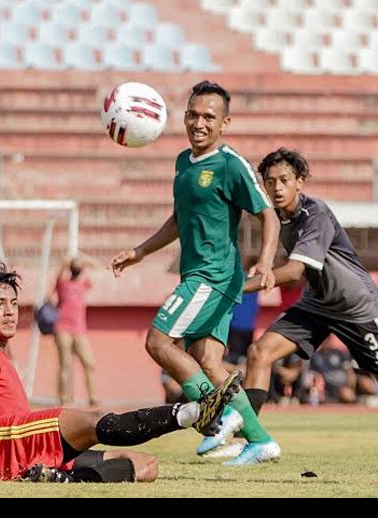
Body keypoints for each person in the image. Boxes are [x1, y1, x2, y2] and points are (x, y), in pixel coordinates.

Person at [202, 147, 378, 462]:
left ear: (300, 182)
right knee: (259, 353)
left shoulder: (315, 214)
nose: (277, 188)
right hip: (317, 304)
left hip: (355, 308)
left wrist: (234, 287)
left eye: (284, 180)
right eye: (270, 182)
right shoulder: (281, 217)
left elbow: (296, 271)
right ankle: (251, 441)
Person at [0, 266, 242, 483]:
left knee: (146, 467)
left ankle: (56, 479)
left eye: (14, 303)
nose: (10, 311)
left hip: (15, 452)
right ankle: (193, 413)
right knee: (89, 418)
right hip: (3, 442)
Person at [109, 80, 283, 468]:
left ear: (225, 123)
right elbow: (178, 220)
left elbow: (267, 214)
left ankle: (220, 417)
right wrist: (139, 252)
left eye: (209, 116)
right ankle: (260, 440)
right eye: (192, 114)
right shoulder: (182, 163)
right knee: (207, 360)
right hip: (200, 274)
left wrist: (267, 262)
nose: (198, 123)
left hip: (213, 276)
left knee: (158, 342)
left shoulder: (230, 163)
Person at [50, 253, 101, 407]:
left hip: (79, 330)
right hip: (62, 328)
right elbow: (61, 267)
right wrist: (70, 259)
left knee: (89, 364)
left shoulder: (84, 284)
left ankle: (93, 399)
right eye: (76, 265)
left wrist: (84, 259)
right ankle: (64, 401)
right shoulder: (62, 284)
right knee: (65, 365)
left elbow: (97, 266)